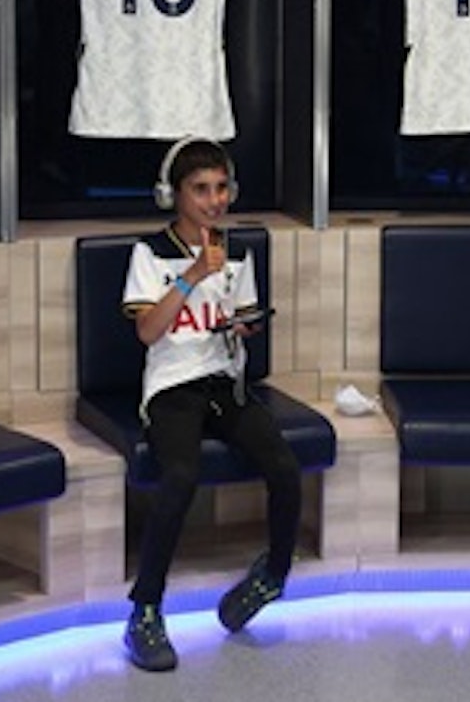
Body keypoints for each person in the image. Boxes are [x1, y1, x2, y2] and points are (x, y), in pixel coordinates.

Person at [120, 137, 302, 672]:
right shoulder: (150, 253)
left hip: (224, 382)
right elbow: (149, 332)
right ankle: (145, 611)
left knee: (284, 467)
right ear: (172, 195)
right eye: (201, 190)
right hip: (173, 387)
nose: (215, 200)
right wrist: (193, 274)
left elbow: (239, 322)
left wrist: (244, 327)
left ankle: (272, 576)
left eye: (221, 188)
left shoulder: (238, 253)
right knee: (181, 475)